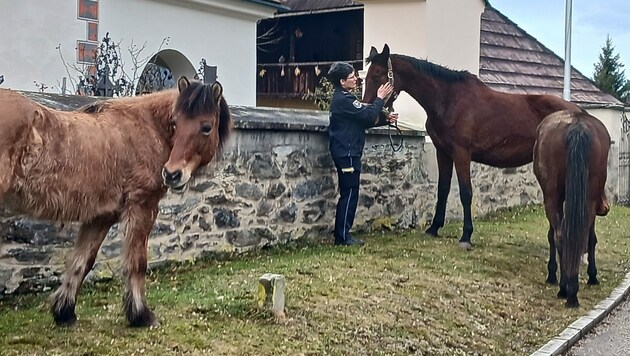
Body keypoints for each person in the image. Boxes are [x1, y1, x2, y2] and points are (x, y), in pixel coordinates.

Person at [327, 62, 397, 246]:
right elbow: (366, 115)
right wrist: (380, 98)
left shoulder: (346, 98)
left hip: (349, 150)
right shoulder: (343, 99)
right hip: (346, 151)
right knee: (349, 193)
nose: (356, 79)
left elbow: (364, 120)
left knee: (351, 192)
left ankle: (343, 234)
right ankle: (342, 237)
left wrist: (385, 120)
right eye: (352, 77)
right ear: (342, 81)